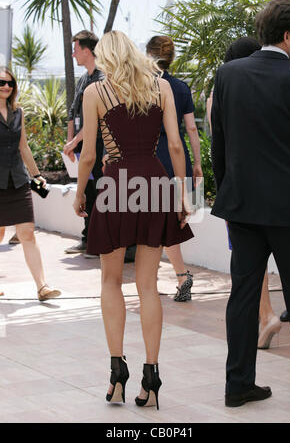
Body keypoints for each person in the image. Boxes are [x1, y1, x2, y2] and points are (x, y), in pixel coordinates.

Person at [73, 30, 193, 409]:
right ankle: (152, 375)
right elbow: (176, 144)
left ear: (106, 56)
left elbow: (89, 155)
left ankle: (117, 373)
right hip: (155, 182)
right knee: (148, 284)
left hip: (116, 185)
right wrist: (183, 193)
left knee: (110, 280)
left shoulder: (96, 93)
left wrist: (79, 194)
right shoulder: (161, 88)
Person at [211, 0, 290, 407]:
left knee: (243, 296)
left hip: (242, 205)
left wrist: (229, 192)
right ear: (288, 34)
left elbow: (220, 144)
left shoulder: (228, 74)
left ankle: (237, 384)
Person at [207, 37, 282, 349]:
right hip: (276, 188)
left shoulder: (222, 90)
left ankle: (265, 316)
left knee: (248, 264)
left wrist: (222, 190)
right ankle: (265, 316)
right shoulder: (270, 83)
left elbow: (217, 147)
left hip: (238, 191)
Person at [146, 35, 202, 302]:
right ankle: (179, 277)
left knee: (154, 221)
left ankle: (163, 278)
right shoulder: (180, 86)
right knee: (169, 221)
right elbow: (191, 128)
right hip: (177, 160)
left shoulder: (143, 87)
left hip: (152, 158)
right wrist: (198, 164)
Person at [0, 67, 61, 301]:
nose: (6, 87)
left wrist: (36, 175)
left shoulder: (18, 112)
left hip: (17, 179)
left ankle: (42, 286)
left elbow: (23, 146)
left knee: (27, 233)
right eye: (2, 83)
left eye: (10, 84)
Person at [63, 30, 104, 258]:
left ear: (87, 51)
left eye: (75, 49)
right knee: (87, 191)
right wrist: (71, 143)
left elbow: (95, 119)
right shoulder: (83, 79)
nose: (73, 54)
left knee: (99, 191)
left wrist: (77, 140)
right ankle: (87, 239)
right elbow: (73, 113)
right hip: (81, 148)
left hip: (98, 148)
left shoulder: (102, 78)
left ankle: (97, 240)